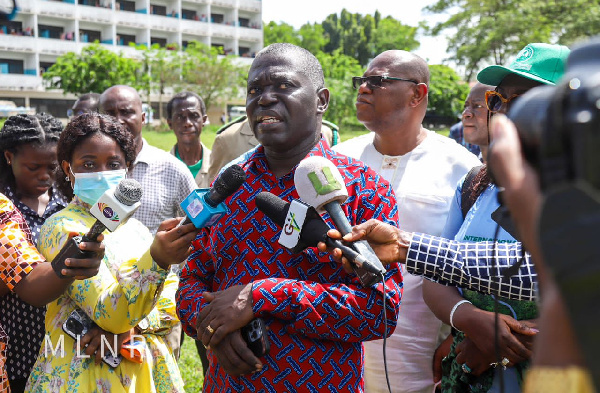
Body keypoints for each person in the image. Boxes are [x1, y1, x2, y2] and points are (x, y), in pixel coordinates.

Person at [176, 43, 403, 392]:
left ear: (321, 100)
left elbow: (379, 310)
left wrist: (264, 295)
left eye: (282, 86)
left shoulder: (366, 189)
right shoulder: (230, 184)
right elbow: (191, 283)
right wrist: (214, 329)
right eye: (254, 90)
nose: (263, 99)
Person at [332, 50, 481, 393]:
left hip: (425, 356)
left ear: (418, 94)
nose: (363, 89)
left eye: (378, 81)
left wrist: (461, 335)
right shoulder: (339, 161)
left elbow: (474, 264)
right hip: (342, 346)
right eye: (362, 81)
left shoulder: (461, 168)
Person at [25, 113, 197, 392]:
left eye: (113, 164)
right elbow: (111, 313)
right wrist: (158, 260)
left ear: (127, 168)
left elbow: (173, 297)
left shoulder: (138, 230)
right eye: (89, 164)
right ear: (69, 169)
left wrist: (136, 328)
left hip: (144, 369)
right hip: (82, 371)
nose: (102, 172)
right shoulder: (62, 229)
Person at [422, 69, 559, 392]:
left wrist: (495, 344)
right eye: (497, 100)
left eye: (524, 100)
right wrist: (469, 320)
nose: (503, 112)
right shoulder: (473, 186)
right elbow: (436, 276)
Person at [0, 113, 68, 393]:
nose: (44, 175)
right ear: (8, 157)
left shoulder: (68, 202)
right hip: (15, 336)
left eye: (52, 167)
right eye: (32, 167)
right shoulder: (4, 208)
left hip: (61, 338)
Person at [99, 85, 197, 235]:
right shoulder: (89, 171)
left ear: (143, 118)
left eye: (126, 112)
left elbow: (199, 224)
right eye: (109, 114)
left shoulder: (174, 169)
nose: (118, 120)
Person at [207, 115, 340, 183]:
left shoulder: (324, 133)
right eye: (256, 89)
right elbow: (212, 194)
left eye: (284, 86)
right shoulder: (228, 139)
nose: (267, 98)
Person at [167, 92, 212, 188]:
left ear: (203, 120)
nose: (187, 123)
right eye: (179, 117)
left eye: (194, 116)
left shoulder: (217, 164)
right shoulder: (160, 167)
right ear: (170, 123)